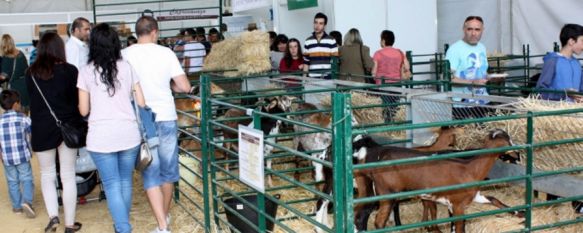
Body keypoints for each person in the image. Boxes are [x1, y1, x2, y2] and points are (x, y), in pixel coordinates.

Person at [122, 16, 191, 233]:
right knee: (168, 171)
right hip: (166, 115)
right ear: (154, 31)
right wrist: (170, 85)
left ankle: (162, 224)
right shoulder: (166, 53)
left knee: (150, 170)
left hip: (141, 118)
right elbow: (185, 86)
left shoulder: (125, 54)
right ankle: (165, 219)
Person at [77, 23, 146, 233]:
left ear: (93, 45)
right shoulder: (126, 67)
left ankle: (123, 228)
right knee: (125, 181)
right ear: (116, 43)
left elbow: (83, 110)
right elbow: (142, 103)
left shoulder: (86, 71)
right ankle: (121, 226)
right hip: (128, 134)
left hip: (101, 137)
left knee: (112, 184)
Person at [25, 32, 83, 233]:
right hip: (67, 127)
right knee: (67, 176)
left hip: (42, 129)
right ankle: (69, 224)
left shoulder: (30, 73)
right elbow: (77, 102)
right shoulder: (71, 71)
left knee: (47, 174)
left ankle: (53, 217)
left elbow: (32, 102)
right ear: (60, 48)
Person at [0, 90, 35, 219]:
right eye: (19, 103)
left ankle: (17, 206)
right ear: (15, 104)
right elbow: (31, 131)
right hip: (22, 155)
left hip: (7, 158)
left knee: (12, 181)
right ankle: (27, 202)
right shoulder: (22, 118)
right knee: (26, 178)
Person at [536, 23, 583, 102]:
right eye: (582, 41)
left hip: (575, 111)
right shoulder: (553, 61)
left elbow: (581, 89)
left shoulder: (577, 64)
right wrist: (563, 93)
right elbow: (540, 91)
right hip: (556, 110)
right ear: (571, 41)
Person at [303, 12, 338, 78]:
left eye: (320, 23)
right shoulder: (308, 41)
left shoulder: (331, 40)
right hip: (312, 78)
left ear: (325, 25)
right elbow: (306, 62)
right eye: (315, 22)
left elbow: (334, 62)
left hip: (327, 78)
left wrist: (334, 79)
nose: (317, 26)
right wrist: (304, 79)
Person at [0, 34, 30, 112]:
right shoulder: (21, 54)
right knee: (25, 116)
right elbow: (27, 70)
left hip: (14, 93)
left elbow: (3, 77)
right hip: (25, 89)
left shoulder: (6, 58)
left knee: (15, 116)